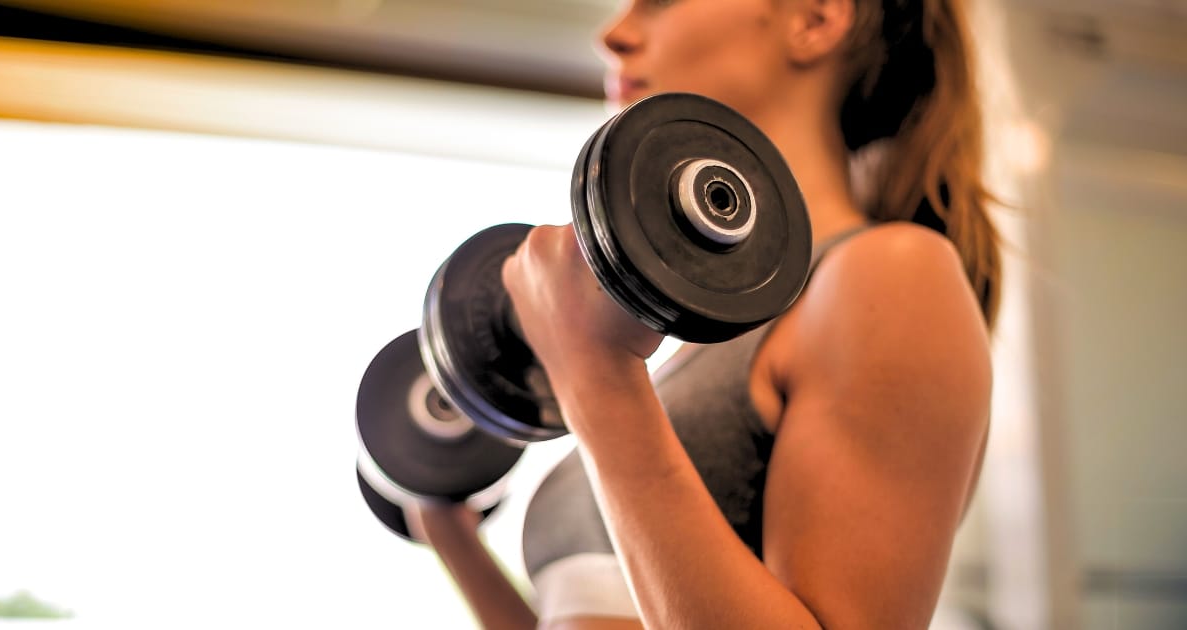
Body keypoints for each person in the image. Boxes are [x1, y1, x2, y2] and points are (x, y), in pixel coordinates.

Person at [408, 0, 1000, 628]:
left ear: (815, 18)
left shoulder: (891, 274)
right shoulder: (682, 348)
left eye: (659, 1)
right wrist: (452, 538)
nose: (614, 34)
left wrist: (594, 374)